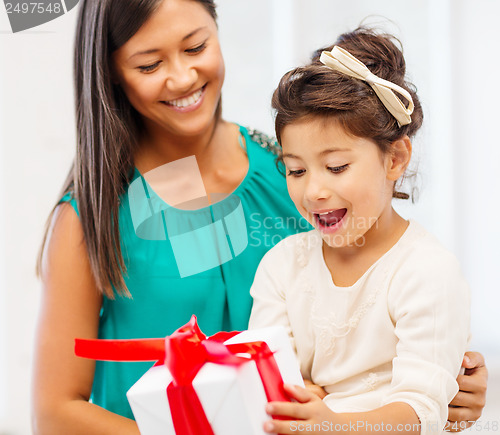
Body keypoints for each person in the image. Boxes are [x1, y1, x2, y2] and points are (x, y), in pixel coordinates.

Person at [31, 1, 487, 433]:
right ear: (111, 72)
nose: (183, 76)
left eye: (196, 47)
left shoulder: (291, 174)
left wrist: (450, 382)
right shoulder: (90, 218)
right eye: (149, 64)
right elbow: (55, 415)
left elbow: (375, 321)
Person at [248, 28, 483, 435]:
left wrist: (332, 423)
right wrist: (301, 395)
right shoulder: (282, 266)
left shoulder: (426, 271)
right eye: (296, 170)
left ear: (394, 158)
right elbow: (264, 382)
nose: (314, 191)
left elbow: (421, 410)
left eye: (336, 166)